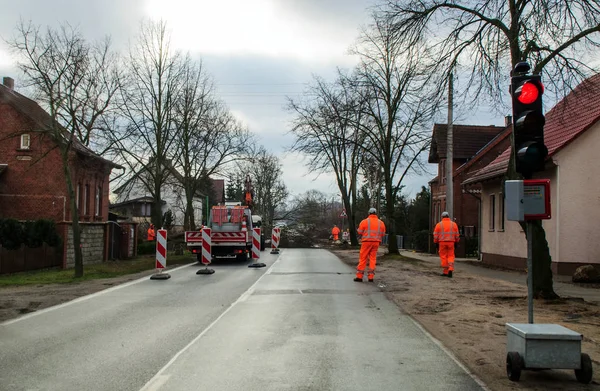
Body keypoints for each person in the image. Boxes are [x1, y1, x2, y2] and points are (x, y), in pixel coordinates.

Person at [354, 208, 386, 282]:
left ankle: (359, 276)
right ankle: (371, 277)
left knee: (363, 258)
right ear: (376, 213)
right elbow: (383, 234)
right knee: (373, 259)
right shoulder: (381, 223)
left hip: (366, 242)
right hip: (376, 243)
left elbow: (359, 232)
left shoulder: (364, 222)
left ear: (369, 213)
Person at [433, 211, 460, 278]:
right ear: (448, 216)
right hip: (451, 242)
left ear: (442, 217)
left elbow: (435, 235)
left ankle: (446, 270)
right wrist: (456, 242)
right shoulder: (454, 224)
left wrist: (435, 242)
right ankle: (450, 269)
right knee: (451, 256)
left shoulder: (439, 225)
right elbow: (457, 235)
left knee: (443, 256)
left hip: (442, 243)